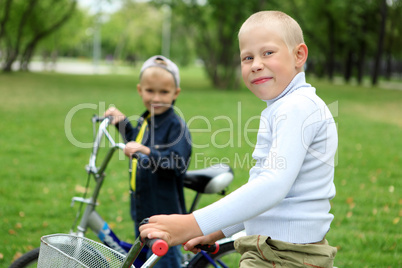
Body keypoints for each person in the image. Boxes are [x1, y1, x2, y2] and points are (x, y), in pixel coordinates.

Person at [140, 11, 338, 267]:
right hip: (272, 248)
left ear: (299, 55)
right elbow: (264, 195)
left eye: (268, 53)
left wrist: (191, 223)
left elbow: (272, 185)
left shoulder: (297, 106)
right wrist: (217, 230)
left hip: (285, 255)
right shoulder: (283, 107)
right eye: (247, 57)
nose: (256, 64)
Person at [105, 55, 192, 267]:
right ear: (140, 90)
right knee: (146, 258)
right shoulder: (148, 119)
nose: (156, 98)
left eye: (164, 92)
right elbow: (135, 142)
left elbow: (177, 162)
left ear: (175, 93)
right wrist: (122, 122)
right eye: (150, 91)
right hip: (143, 205)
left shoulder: (175, 125)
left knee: (163, 260)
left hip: (164, 210)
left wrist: (147, 151)